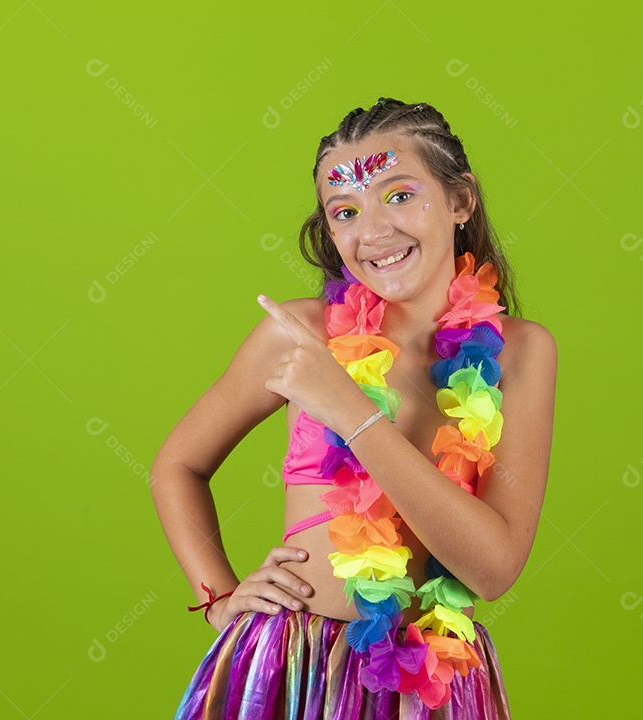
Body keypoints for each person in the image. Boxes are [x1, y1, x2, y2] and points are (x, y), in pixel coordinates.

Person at [151, 97, 557, 719]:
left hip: (433, 684)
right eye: (345, 211)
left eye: (399, 195)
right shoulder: (301, 333)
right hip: (289, 672)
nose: (373, 231)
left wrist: (351, 412)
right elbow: (176, 465)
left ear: (460, 201)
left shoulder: (520, 354)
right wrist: (219, 600)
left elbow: (494, 570)